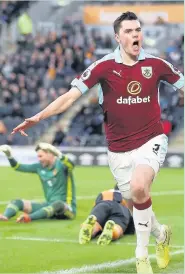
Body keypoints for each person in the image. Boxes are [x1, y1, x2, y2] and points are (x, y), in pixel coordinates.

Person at [11, 12, 184, 274]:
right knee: (136, 197)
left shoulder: (157, 65)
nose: (136, 34)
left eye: (138, 29)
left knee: (139, 186)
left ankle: (141, 257)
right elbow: (70, 97)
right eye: (128, 31)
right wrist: (38, 117)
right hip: (118, 150)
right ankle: (161, 236)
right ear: (117, 37)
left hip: (151, 140)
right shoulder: (103, 67)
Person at [0, 143, 76, 223]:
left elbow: (71, 164)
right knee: (17, 202)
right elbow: (17, 167)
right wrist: (9, 156)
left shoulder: (62, 165)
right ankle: (4, 216)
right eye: (38, 156)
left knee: (58, 204)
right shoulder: (39, 167)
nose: (39, 159)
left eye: (41, 156)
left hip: (67, 209)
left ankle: (29, 218)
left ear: (50, 154)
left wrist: (57, 153)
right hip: (49, 206)